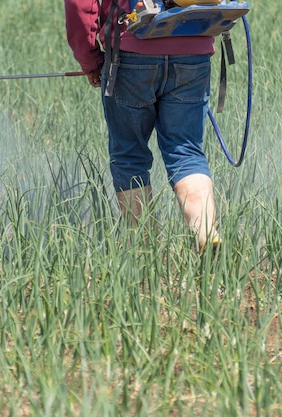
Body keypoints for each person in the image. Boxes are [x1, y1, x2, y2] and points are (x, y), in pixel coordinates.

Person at [64, 0, 221, 252]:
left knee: (129, 156)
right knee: (187, 152)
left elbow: (79, 5)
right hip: (194, 49)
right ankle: (205, 231)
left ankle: (144, 250)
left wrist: (90, 58)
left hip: (130, 54)